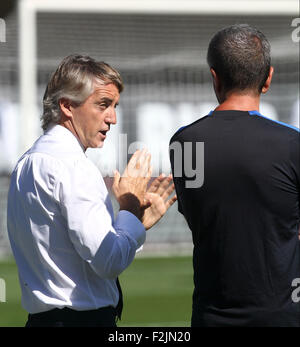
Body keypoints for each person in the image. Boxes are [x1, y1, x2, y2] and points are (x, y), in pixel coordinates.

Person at [7, 55, 177, 327]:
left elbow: (70, 250)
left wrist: (135, 224)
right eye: (103, 104)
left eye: (115, 106)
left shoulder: (26, 162)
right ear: (67, 106)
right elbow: (108, 261)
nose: (113, 118)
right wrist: (129, 209)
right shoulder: (74, 166)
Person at [169, 24, 300, 327]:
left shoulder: (184, 142)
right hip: (283, 318)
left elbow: (198, 218)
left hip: (211, 317)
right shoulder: (293, 144)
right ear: (268, 78)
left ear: (214, 78)